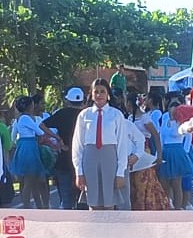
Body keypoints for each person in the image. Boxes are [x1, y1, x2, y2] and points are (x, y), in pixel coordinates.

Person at [72, 79, 130, 211]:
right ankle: (95, 230)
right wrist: (79, 172)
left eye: (102, 91)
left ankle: (109, 230)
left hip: (109, 159)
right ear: (91, 95)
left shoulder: (116, 115)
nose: (99, 95)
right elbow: (78, 145)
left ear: (108, 94)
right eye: (96, 92)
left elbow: (122, 145)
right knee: (93, 202)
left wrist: (120, 172)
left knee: (109, 202)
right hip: (90, 160)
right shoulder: (84, 115)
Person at [9, 96, 53, 210]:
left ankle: (38, 206)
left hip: (23, 146)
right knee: (29, 180)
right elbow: (39, 131)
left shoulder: (18, 119)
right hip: (29, 147)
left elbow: (13, 137)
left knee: (32, 180)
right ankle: (27, 206)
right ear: (30, 106)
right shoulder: (26, 118)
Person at [46, 87, 87, 209]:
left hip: (65, 157)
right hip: (83, 158)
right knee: (83, 198)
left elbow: (42, 125)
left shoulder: (61, 113)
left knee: (66, 199)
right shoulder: (86, 114)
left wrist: (58, 139)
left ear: (68, 100)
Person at [158, 98, 193, 210]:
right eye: (170, 108)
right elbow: (161, 136)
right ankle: (167, 205)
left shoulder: (182, 122)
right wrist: (159, 152)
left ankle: (178, 208)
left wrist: (185, 152)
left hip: (177, 152)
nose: (172, 111)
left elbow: (188, 137)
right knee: (164, 183)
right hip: (166, 152)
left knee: (176, 183)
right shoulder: (164, 120)